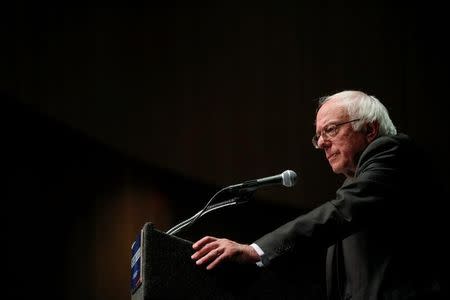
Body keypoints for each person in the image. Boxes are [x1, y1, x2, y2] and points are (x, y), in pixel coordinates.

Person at [191, 90, 447, 300]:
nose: (322, 143)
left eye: (331, 130)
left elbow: (341, 212)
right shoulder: (354, 185)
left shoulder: (393, 154)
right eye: (319, 136)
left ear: (369, 130)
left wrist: (257, 250)